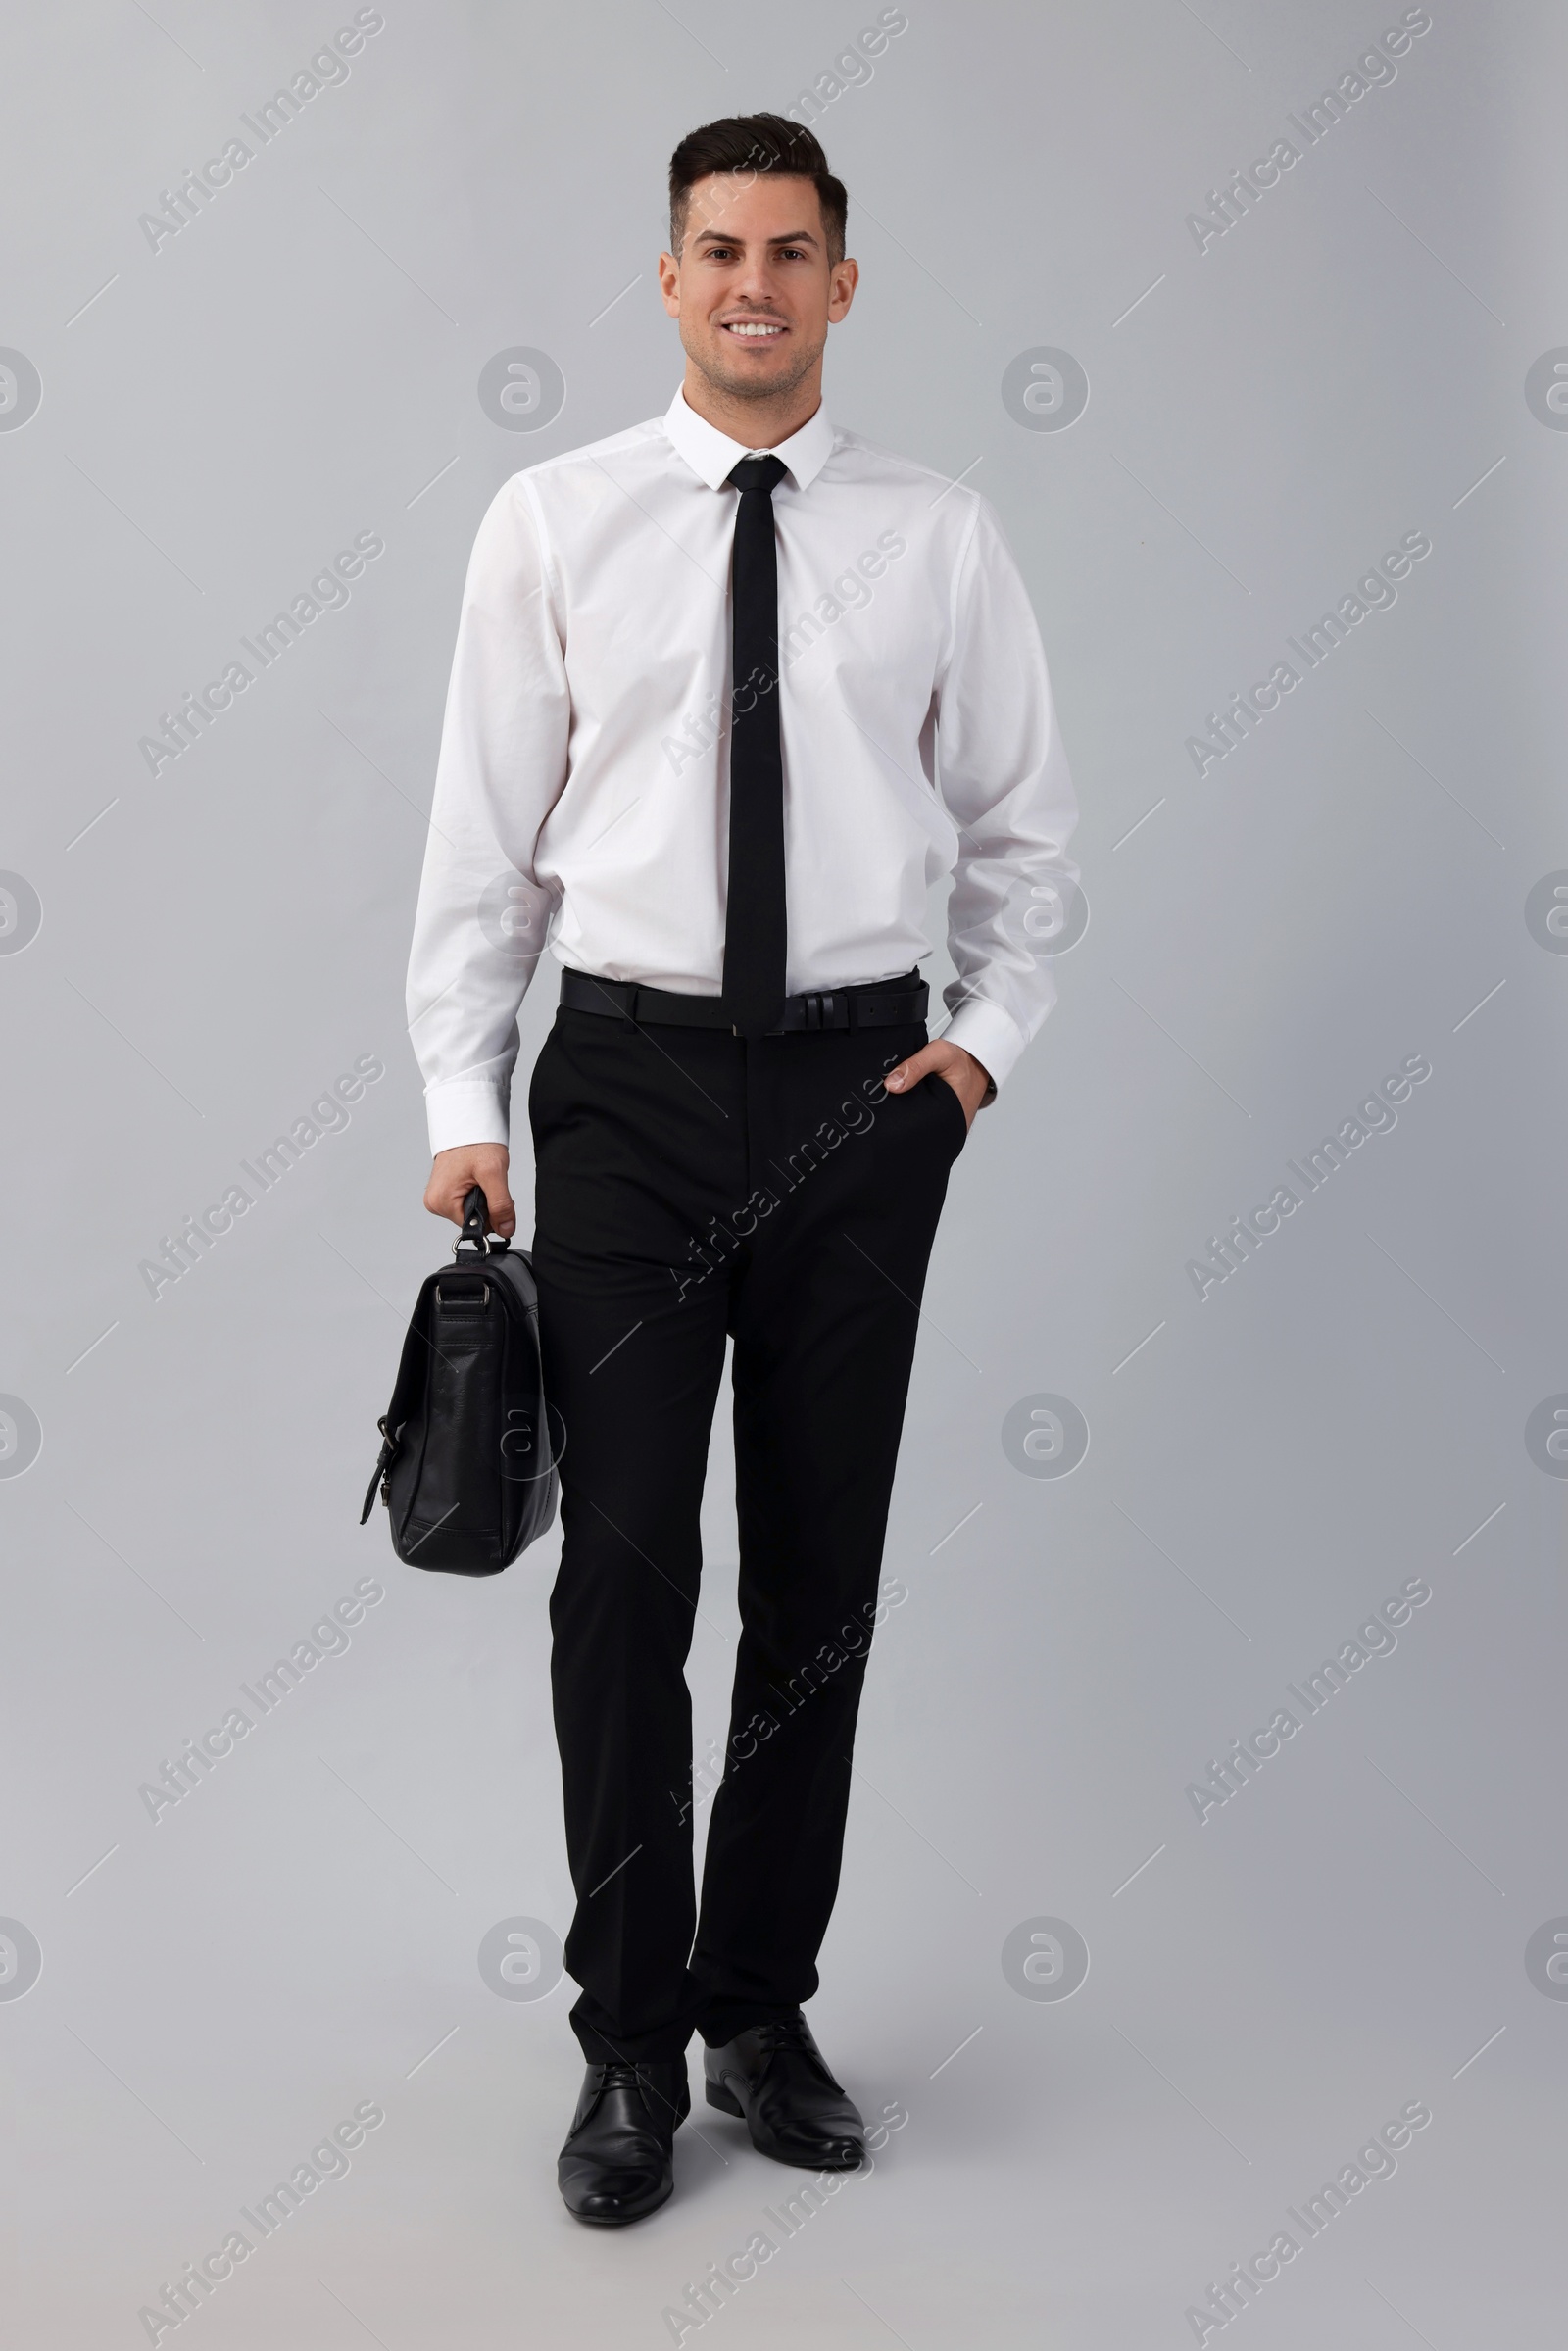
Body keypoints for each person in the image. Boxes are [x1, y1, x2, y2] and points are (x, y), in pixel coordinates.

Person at [406, 110, 1078, 2225]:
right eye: (717, 249)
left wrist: (965, 1064)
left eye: (792, 251)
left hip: (855, 1104)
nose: (753, 284)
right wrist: (461, 1101)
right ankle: (623, 2047)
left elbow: (1026, 849)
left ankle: (756, 2009)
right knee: (621, 1577)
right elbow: (481, 846)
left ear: (842, 285)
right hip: (618, 1088)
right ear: (668, 274)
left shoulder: (938, 533)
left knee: (816, 1582)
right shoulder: (554, 519)